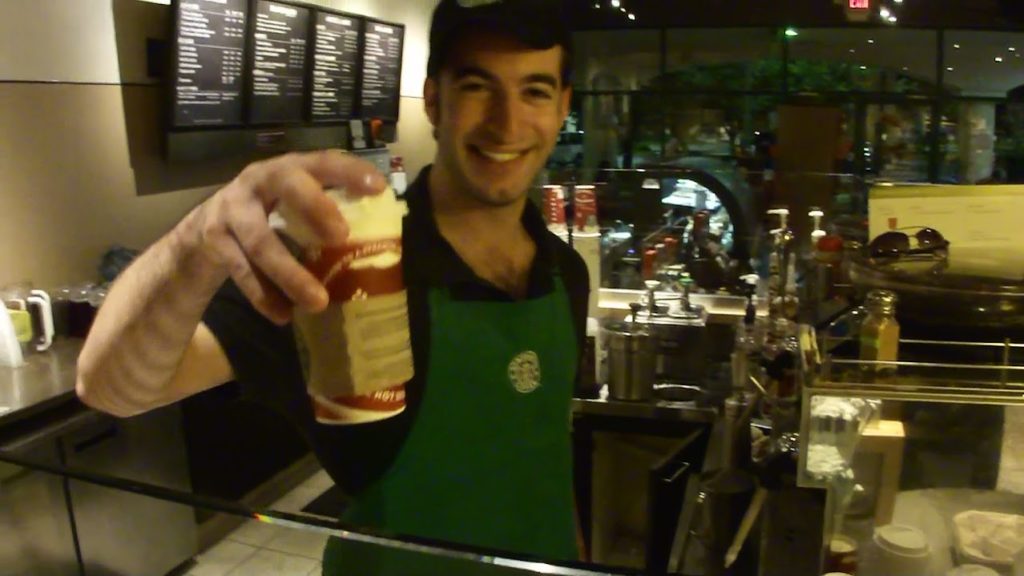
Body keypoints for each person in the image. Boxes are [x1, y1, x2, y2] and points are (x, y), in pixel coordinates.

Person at [76, 0, 589, 573]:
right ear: (435, 101)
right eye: (478, 86)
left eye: (536, 91)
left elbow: (545, 452)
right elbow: (111, 387)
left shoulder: (564, 271)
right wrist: (196, 240)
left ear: (563, 106)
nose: (508, 123)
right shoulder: (345, 265)